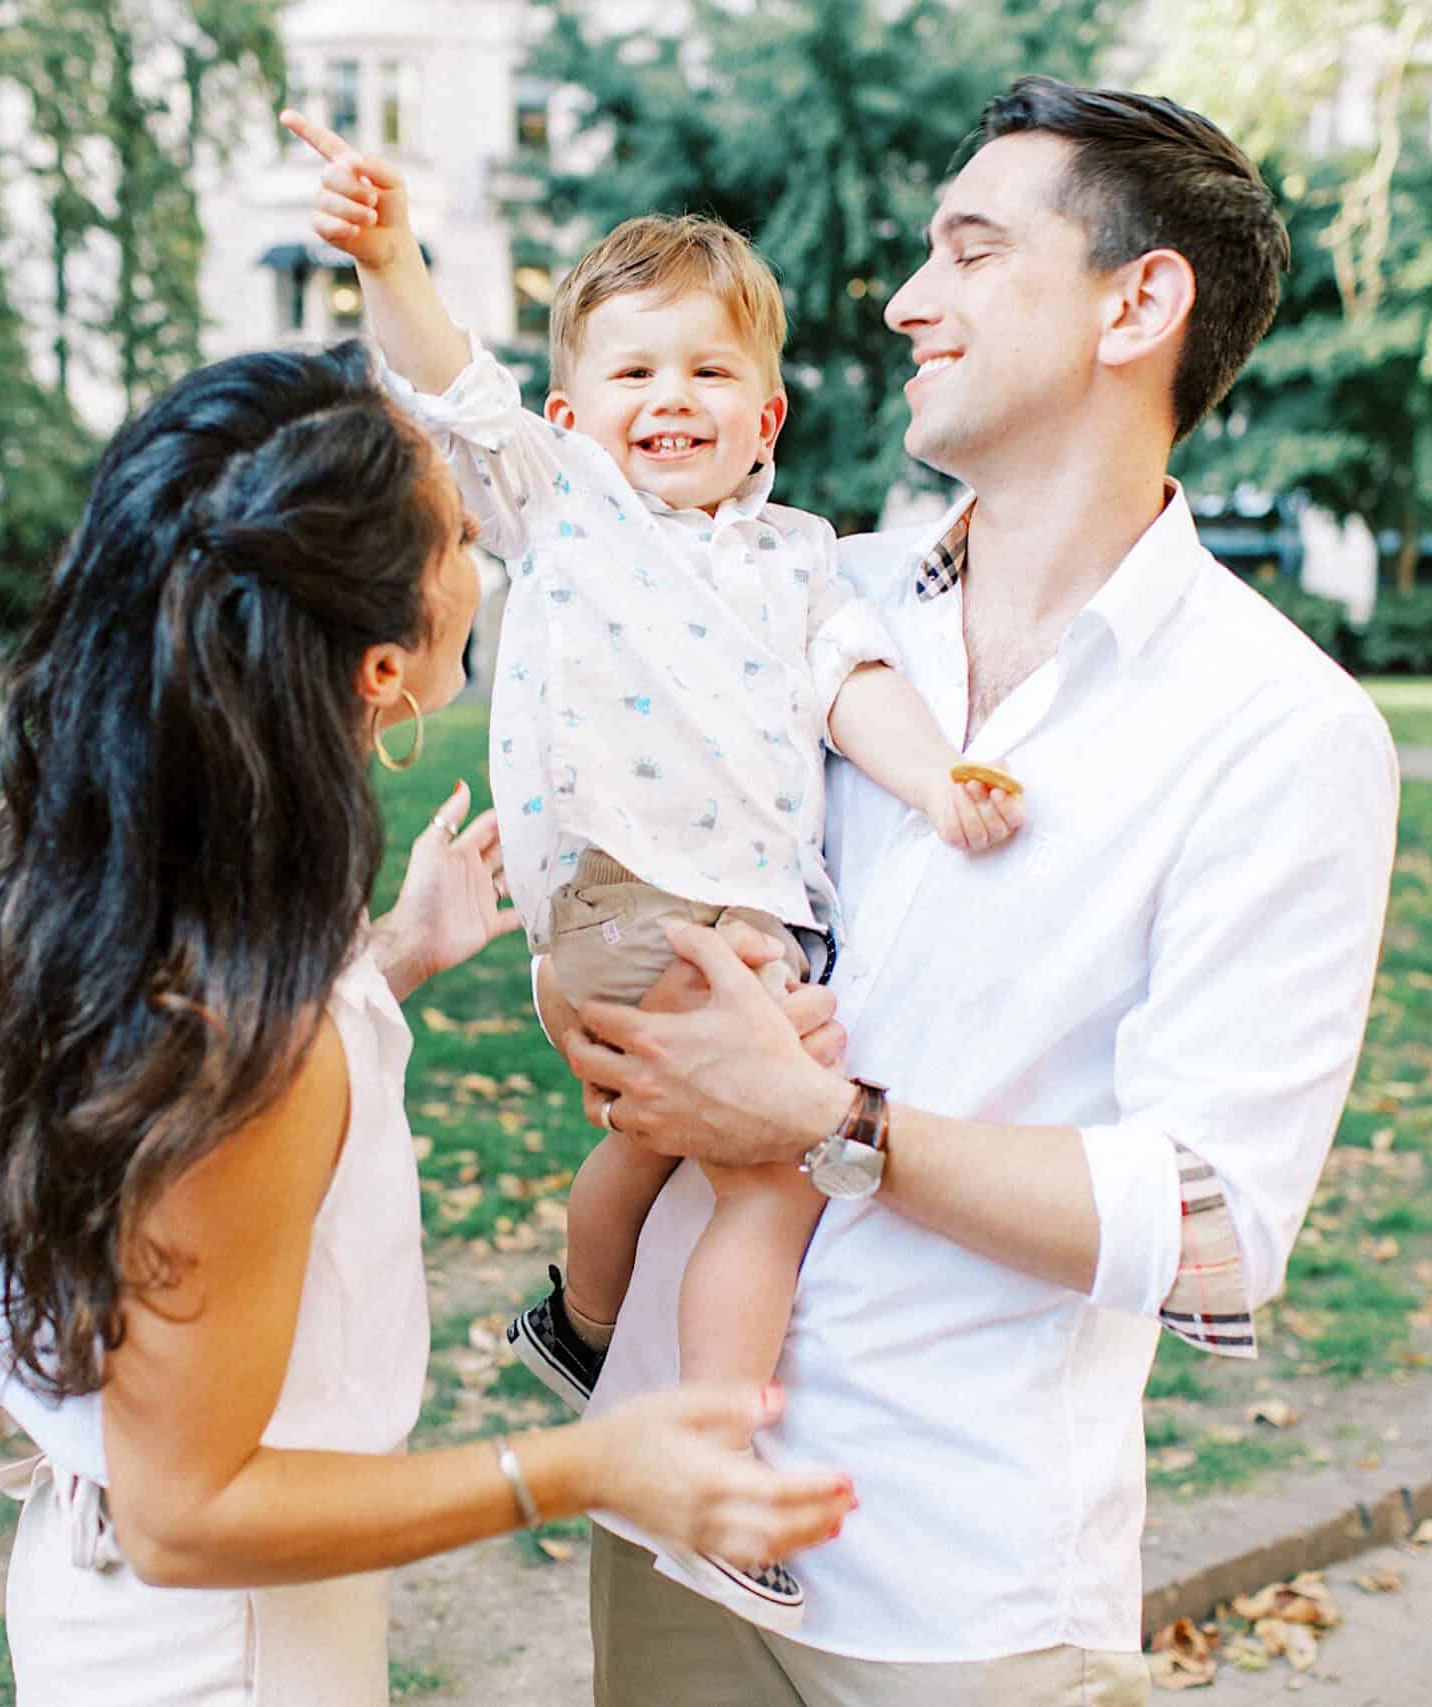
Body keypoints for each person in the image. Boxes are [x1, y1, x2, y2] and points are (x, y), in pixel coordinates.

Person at [554, 79, 1401, 1705]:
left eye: (970, 250)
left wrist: (827, 1120)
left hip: (956, 1588)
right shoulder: (800, 591)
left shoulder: (1282, 730)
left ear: (1136, 302)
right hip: (666, 1493)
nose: (902, 300)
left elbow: (1212, 1230)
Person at [0, 342, 856, 1706]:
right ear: (383, 666)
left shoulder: (173, 874)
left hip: (163, 1605)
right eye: (459, 533)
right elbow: (187, 1510)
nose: (482, 556)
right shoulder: (254, 1035)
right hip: (218, 1643)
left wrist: (389, 958)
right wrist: (579, 1464)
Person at [283, 108, 1025, 1632]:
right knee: (770, 1174)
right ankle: (717, 1465)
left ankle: (587, 1317)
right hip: (631, 893)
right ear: (571, 412)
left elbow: (851, 684)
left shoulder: (795, 556)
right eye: (632, 373)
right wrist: (390, 254)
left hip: (740, 915)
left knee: (669, 1133)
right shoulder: (569, 511)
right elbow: (446, 380)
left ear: (767, 419)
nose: (669, 399)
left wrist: (933, 776)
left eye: (707, 372)